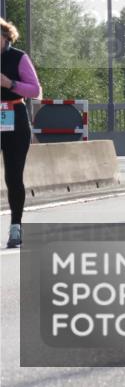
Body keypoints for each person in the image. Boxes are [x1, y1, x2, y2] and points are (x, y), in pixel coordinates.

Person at [1, 18, 42, 249]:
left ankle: (16, 227)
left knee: (13, 176)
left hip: (14, 116)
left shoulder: (18, 57)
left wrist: (10, 84)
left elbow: (35, 90)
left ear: (6, 37)